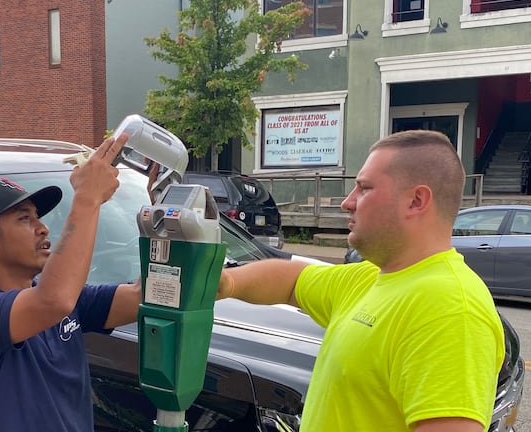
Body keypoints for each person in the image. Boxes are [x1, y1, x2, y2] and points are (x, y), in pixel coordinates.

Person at [216, 130, 505, 432]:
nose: (347, 203)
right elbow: (291, 279)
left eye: (364, 188)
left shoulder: (449, 308)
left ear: (416, 200)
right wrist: (223, 283)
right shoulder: (370, 277)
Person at [0, 135, 143, 431]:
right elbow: (53, 301)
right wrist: (87, 198)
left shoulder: (69, 299)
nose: (43, 227)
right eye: (24, 219)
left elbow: (144, 296)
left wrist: (163, 222)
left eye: (38, 216)